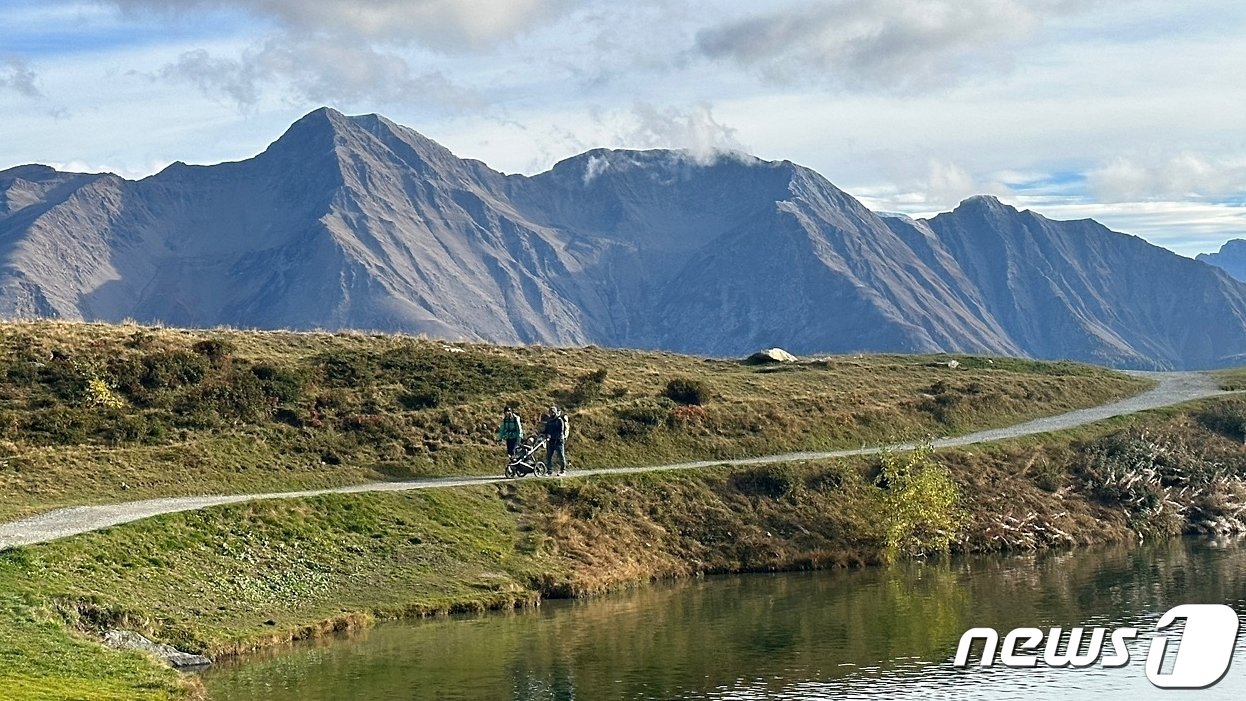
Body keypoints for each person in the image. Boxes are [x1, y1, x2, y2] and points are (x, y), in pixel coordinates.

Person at [543, 405, 569, 475]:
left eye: (552, 412)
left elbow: (560, 431)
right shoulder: (549, 421)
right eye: (550, 412)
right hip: (551, 441)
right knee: (549, 456)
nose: (551, 413)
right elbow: (546, 430)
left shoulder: (559, 420)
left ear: (555, 412)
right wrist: (544, 434)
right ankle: (549, 471)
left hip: (558, 441)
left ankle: (563, 470)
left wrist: (553, 436)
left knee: (561, 456)